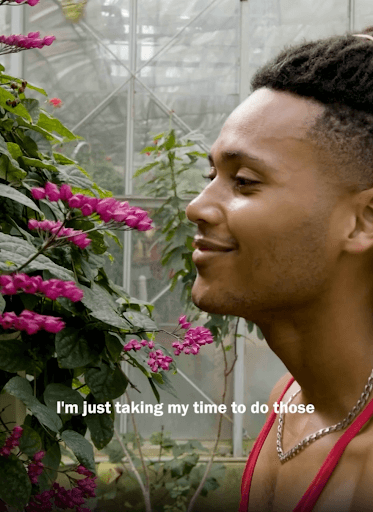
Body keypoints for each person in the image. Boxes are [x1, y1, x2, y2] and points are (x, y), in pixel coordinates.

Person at [185, 27, 373, 512]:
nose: (197, 207)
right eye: (212, 177)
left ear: (362, 221)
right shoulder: (288, 403)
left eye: (244, 182)